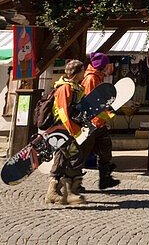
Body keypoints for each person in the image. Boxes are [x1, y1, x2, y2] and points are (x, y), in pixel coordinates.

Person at [45, 59, 86, 205]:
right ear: (77, 72)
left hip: (64, 129)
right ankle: (71, 193)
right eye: (82, 70)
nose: (84, 73)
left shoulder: (76, 87)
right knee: (75, 156)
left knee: (61, 159)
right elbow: (62, 110)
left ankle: (52, 192)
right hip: (61, 129)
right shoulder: (65, 88)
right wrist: (71, 130)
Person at [76, 52, 118, 190]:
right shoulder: (91, 79)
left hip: (99, 122)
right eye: (106, 65)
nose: (108, 67)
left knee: (106, 147)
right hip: (91, 123)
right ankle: (75, 184)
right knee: (83, 153)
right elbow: (90, 102)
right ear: (102, 66)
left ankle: (105, 179)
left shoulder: (98, 77)